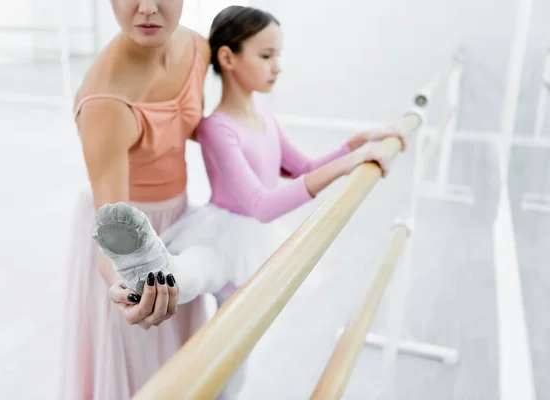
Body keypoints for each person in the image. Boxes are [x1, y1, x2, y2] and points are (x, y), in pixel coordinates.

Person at [89, 5, 406, 398]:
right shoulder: (217, 128)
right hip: (222, 234)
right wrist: (346, 166)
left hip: (250, 243)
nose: (277, 67)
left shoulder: (263, 116)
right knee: (190, 274)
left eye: (278, 56)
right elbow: (261, 204)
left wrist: (353, 147)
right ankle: (146, 269)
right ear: (228, 58)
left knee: (234, 358)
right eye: (266, 55)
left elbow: (300, 167)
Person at [57, 0, 218, 398]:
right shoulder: (104, 102)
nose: (147, 8)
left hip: (177, 227)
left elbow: (207, 128)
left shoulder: (198, 48)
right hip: (130, 243)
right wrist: (129, 289)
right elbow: (110, 232)